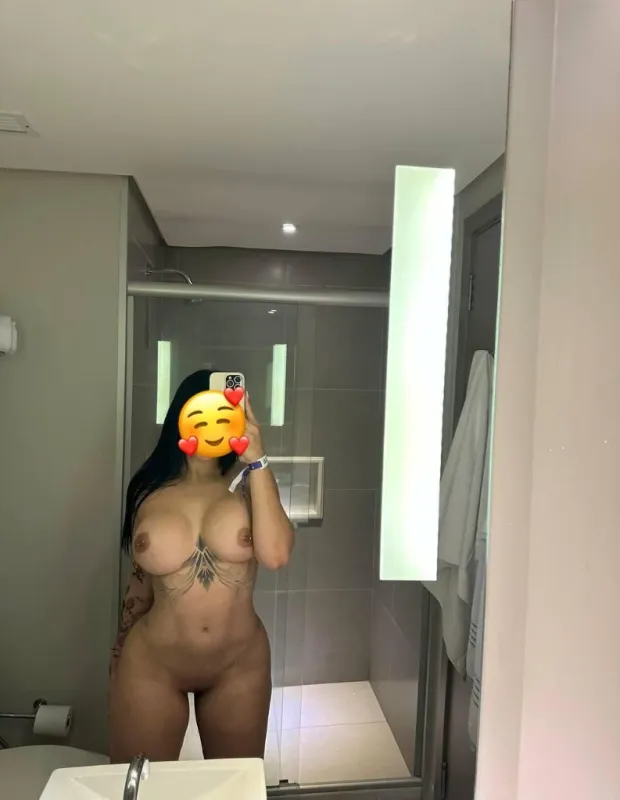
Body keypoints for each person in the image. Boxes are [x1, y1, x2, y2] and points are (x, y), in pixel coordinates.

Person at [108, 369, 294, 763]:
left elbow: (276, 555)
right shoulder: (147, 489)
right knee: (139, 787)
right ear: (183, 414)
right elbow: (140, 581)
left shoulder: (249, 483)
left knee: (234, 787)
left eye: (226, 413)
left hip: (238, 665)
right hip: (153, 665)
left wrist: (258, 460)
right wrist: (118, 654)